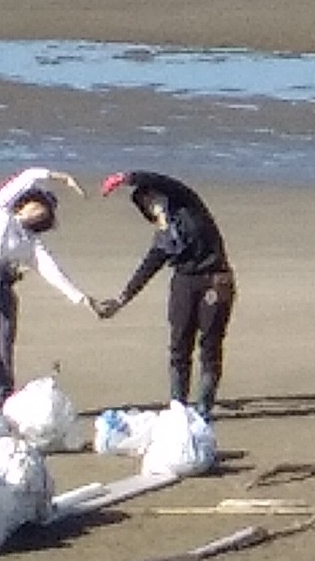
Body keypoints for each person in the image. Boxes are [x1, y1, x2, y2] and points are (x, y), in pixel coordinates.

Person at [91, 171, 235, 416]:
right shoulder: (164, 238)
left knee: (210, 346)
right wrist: (120, 300)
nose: (152, 203)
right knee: (179, 346)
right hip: (183, 283)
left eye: (152, 197)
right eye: (145, 203)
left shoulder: (187, 205)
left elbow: (166, 182)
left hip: (215, 279)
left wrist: (127, 178)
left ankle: (204, 408)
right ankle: (178, 405)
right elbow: (146, 269)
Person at [0, 167, 93, 403]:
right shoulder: (0, 209)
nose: (40, 211)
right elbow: (28, 176)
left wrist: (80, 297)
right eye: (39, 205)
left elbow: (52, 271)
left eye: (45, 211)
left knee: (3, 339)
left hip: (0, 280)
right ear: (26, 202)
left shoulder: (30, 242)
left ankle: (4, 398)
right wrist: (64, 178)